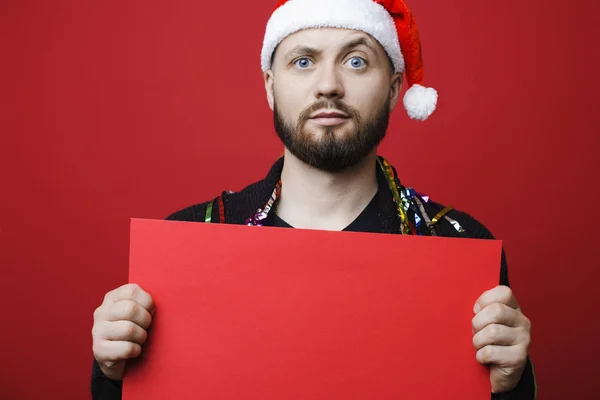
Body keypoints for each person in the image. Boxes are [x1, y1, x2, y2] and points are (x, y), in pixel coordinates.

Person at [90, 0, 537, 398]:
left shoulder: (458, 248)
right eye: (303, 62)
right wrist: (113, 373)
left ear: (396, 88)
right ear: (269, 86)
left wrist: (511, 387)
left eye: (357, 61)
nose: (328, 86)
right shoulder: (188, 242)